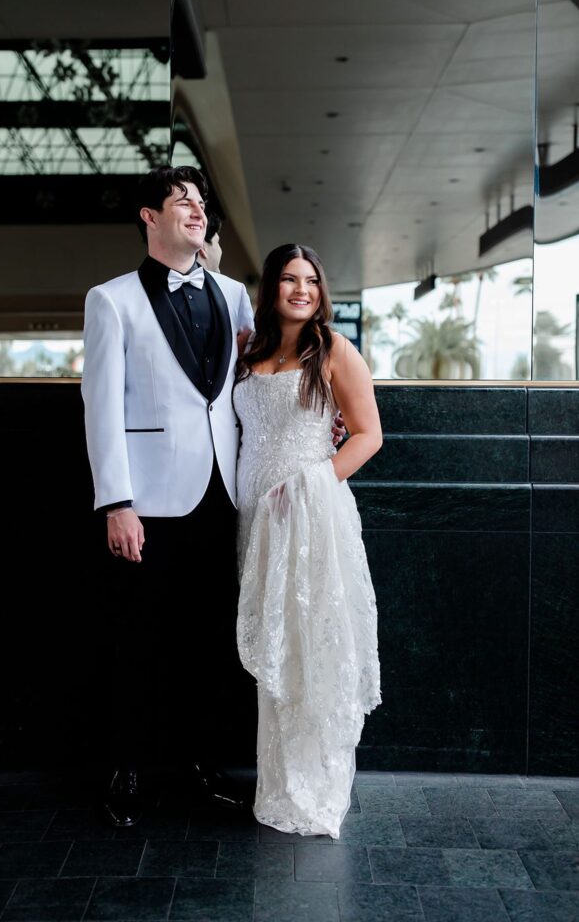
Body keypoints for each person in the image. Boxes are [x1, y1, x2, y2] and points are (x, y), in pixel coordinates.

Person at [81, 165, 254, 827]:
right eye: (180, 200)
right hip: (148, 501)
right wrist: (115, 502)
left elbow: (246, 389)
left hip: (224, 492)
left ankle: (205, 766)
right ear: (148, 217)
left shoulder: (235, 294)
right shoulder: (112, 299)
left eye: (201, 201)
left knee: (211, 640)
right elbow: (100, 407)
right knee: (137, 641)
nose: (195, 209)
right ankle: (127, 770)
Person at [233, 243, 382, 838]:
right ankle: (276, 777)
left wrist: (310, 485)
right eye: (290, 280)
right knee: (274, 641)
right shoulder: (249, 350)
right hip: (252, 517)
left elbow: (368, 435)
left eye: (312, 281)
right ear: (271, 288)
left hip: (310, 516)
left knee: (308, 643)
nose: (302, 290)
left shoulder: (335, 350)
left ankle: (313, 784)